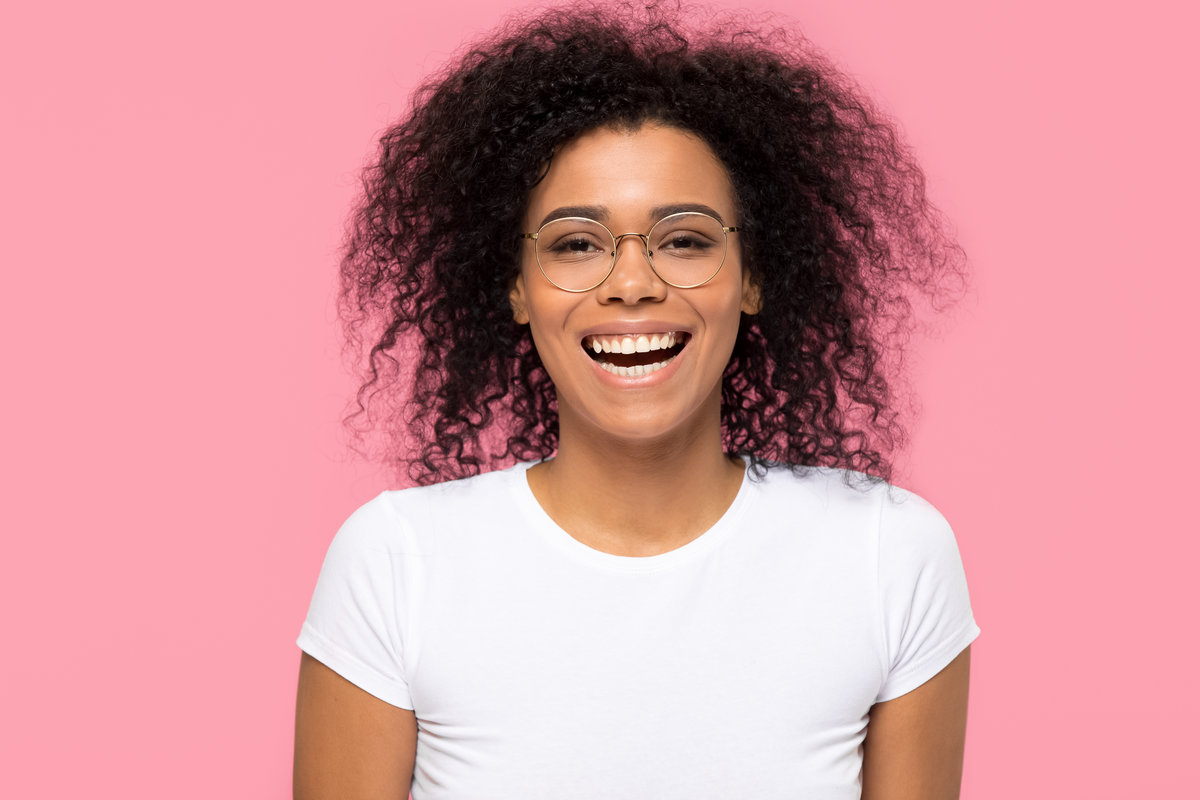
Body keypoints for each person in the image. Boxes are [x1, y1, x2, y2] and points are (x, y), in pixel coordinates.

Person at [294, 3, 978, 798]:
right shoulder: (396, 564)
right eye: (576, 242)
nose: (631, 283)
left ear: (753, 274)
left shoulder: (889, 558)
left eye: (684, 239)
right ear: (516, 288)